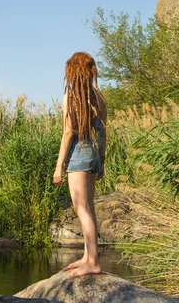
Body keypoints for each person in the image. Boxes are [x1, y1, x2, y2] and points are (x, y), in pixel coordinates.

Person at [53, 51, 107, 278]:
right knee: (89, 207)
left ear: (73, 72)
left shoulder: (70, 97)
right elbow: (102, 131)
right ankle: (88, 256)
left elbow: (67, 133)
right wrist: (101, 160)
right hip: (92, 151)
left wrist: (58, 166)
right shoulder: (98, 97)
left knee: (81, 208)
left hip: (77, 153)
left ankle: (92, 262)